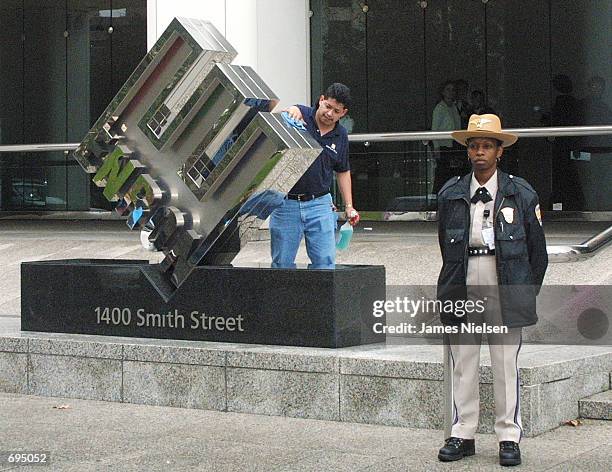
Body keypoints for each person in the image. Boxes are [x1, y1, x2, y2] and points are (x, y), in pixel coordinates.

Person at [436, 114, 548, 466]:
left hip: (505, 278)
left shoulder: (520, 192)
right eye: (474, 146)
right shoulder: (452, 193)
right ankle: (463, 432)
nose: (480, 152)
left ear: (500, 151)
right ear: (467, 152)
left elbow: (537, 254)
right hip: (466, 276)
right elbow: (445, 246)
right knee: (464, 362)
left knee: (504, 363)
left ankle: (508, 436)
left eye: (487, 145)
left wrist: (522, 291)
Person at [270, 83, 359, 269]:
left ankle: (321, 299)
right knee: (281, 265)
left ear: (343, 113)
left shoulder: (340, 135)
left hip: (320, 204)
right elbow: (287, 112)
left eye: (336, 111)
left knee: (325, 264)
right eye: (327, 106)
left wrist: (349, 206)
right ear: (321, 100)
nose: (330, 114)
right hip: (286, 203)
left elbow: (343, 170)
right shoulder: (302, 116)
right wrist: (291, 110)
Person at [431, 81, 465, 193]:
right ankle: (437, 199)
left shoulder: (454, 107)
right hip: (443, 146)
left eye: (453, 90)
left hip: (454, 145)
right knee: (442, 175)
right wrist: (436, 148)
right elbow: (434, 129)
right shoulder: (440, 108)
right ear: (443, 92)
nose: (451, 92)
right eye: (448, 90)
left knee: (454, 173)